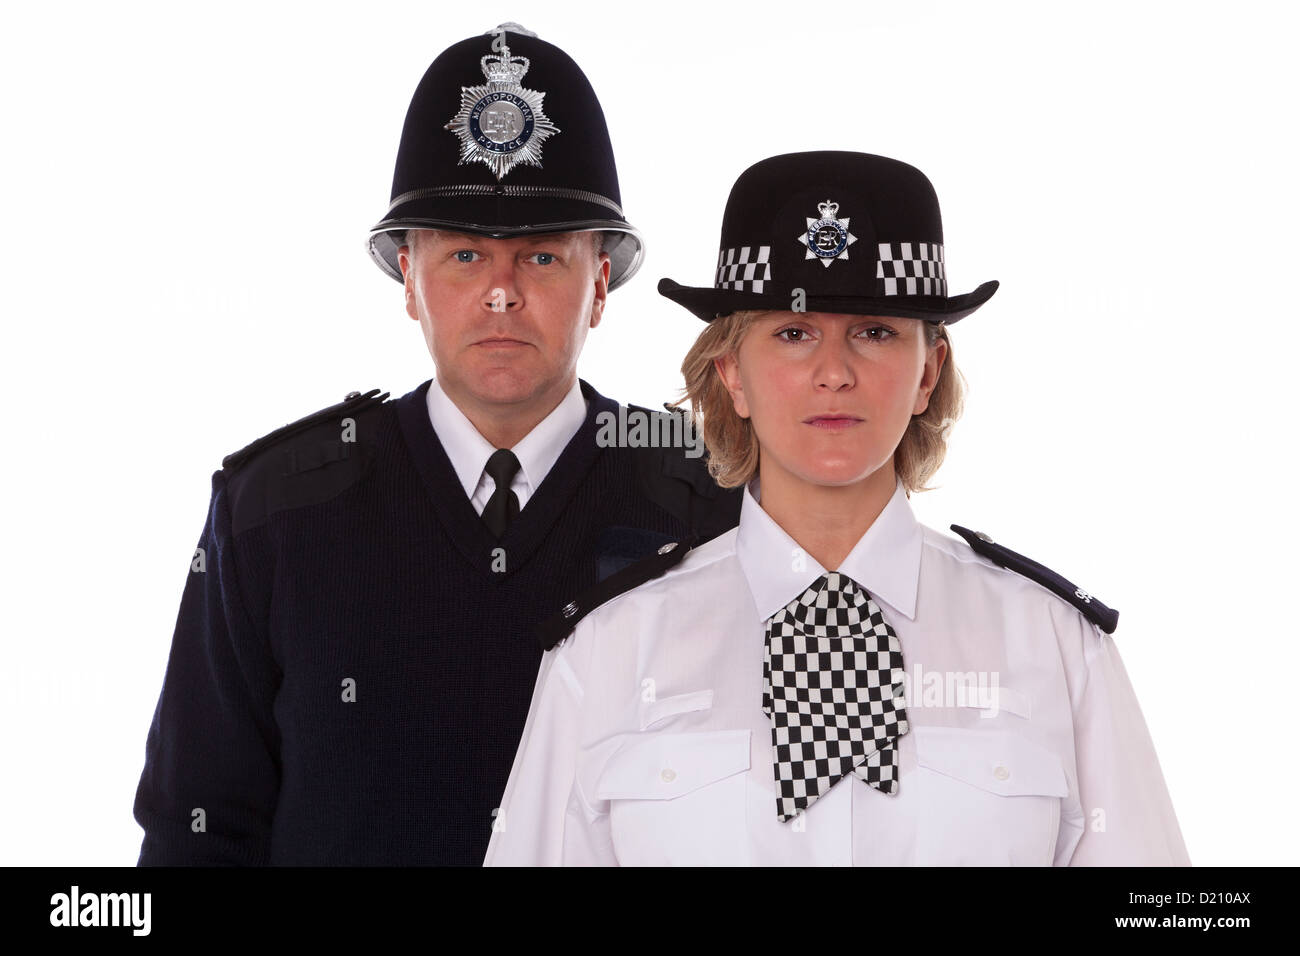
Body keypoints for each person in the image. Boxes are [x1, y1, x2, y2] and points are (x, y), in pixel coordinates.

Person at [131, 23, 742, 866]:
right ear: (407, 280)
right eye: (462, 254)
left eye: (540, 257)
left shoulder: (719, 506)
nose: (500, 293)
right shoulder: (273, 512)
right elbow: (196, 831)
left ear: (599, 283)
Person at [484, 150, 1191, 866]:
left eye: (875, 331)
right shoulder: (607, 653)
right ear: (732, 374)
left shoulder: (1056, 647)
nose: (834, 372)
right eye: (793, 334)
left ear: (929, 371)